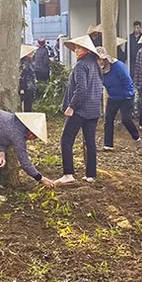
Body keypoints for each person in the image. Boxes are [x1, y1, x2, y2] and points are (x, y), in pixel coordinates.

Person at [56, 35, 103, 185]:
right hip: (94, 109)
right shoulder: (95, 64)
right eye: (75, 47)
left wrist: (71, 107)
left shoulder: (81, 65)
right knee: (90, 142)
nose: (75, 50)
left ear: (85, 49)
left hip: (80, 110)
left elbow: (81, 90)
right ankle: (91, 174)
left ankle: (68, 173)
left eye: (78, 47)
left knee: (66, 140)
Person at [96, 46, 142, 151]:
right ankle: (108, 145)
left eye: (101, 59)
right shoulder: (99, 70)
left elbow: (127, 81)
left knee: (126, 119)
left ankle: (137, 138)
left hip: (126, 96)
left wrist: (128, 94)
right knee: (108, 120)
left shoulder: (118, 66)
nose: (100, 62)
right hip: (113, 97)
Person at [19, 44, 38, 112]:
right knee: (27, 106)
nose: (32, 55)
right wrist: (22, 89)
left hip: (30, 87)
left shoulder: (29, 63)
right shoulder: (25, 64)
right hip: (27, 88)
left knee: (28, 105)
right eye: (30, 54)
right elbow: (22, 77)